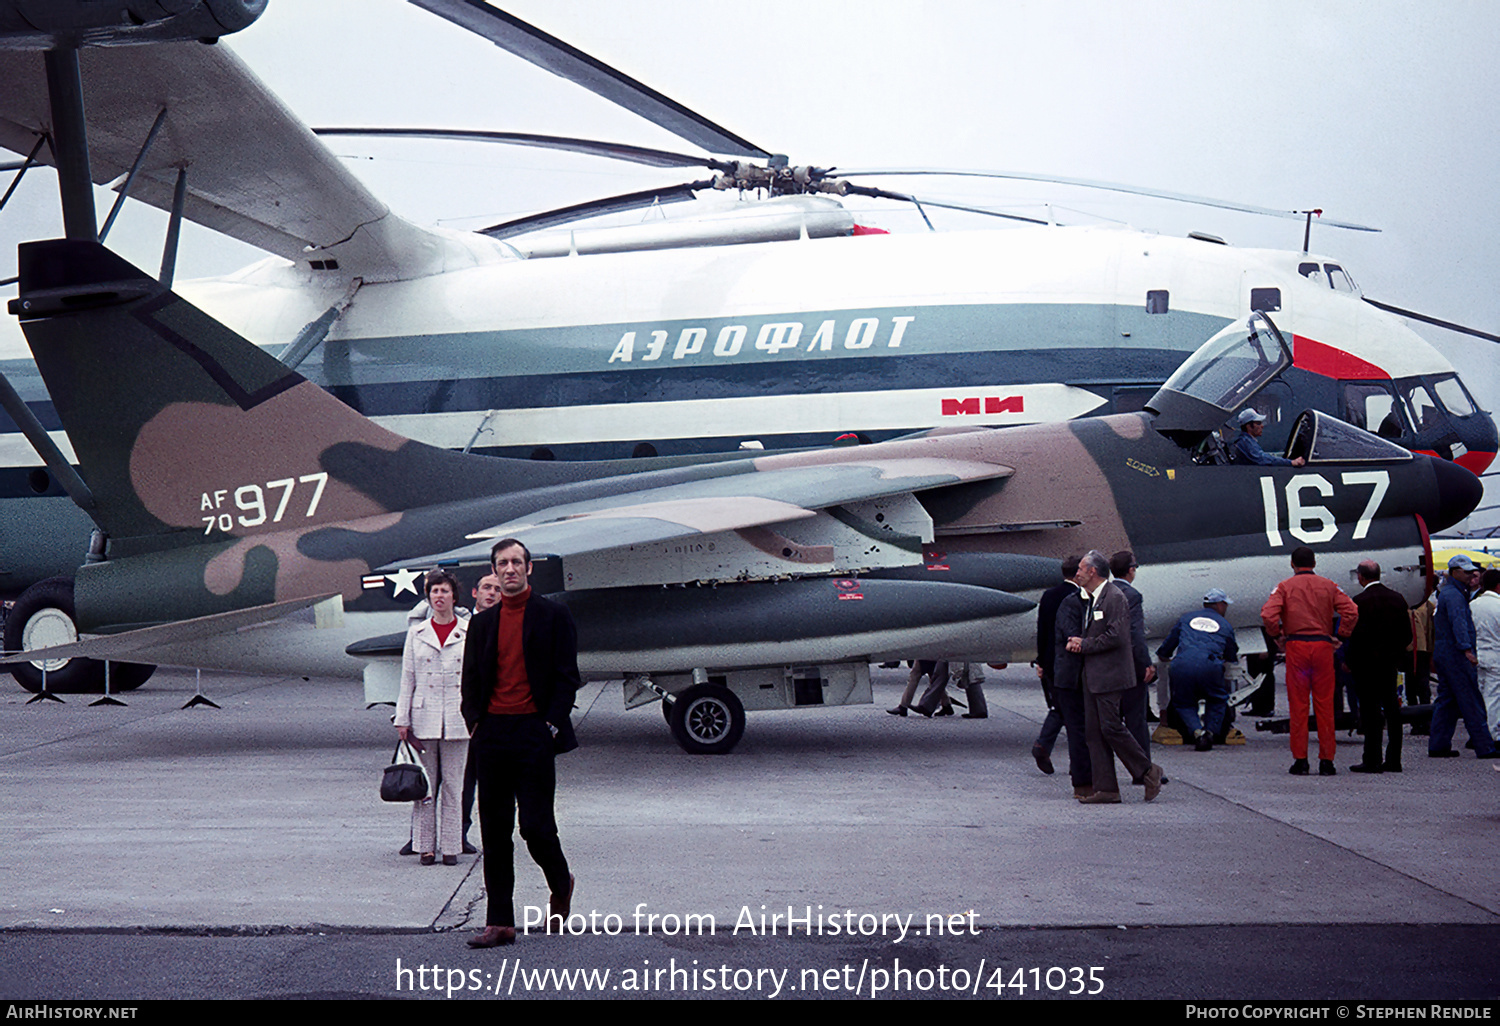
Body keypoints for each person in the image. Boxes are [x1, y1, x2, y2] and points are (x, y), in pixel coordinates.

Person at [463, 539, 581, 948]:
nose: (509, 569)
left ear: (529, 568)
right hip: (492, 735)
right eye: (502, 564)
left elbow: (568, 676)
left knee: (535, 827)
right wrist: (476, 724)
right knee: (495, 832)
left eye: (516, 562)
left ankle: (560, 881)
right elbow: (471, 683)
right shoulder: (482, 624)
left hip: (534, 733)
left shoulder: (553, 614)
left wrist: (549, 724)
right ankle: (500, 923)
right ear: (494, 572)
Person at [1067, 550, 1164, 803]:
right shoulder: (1091, 598)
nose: (1076, 573)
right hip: (1093, 675)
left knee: (1111, 727)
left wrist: (1084, 644)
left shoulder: (1114, 597)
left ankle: (1148, 770)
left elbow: (1118, 636)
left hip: (1110, 674)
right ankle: (1107, 789)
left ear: (1093, 571)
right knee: (1094, 732)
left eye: (1080, 569)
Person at [1260, 546, 1358, 776]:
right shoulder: (1329, 585)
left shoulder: (1284, 587)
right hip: (1323, 648)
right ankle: (1327, 761)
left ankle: (1301, 760)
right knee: (1325, 705)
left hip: (1297, 648)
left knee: (1299, 705)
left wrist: (1277, 637)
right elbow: (1351, 611)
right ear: (1314, 563)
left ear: (1292, 564)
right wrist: (1341, 636)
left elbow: (1267, 615)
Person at [395, 569, 470, 866]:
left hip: (457, 717)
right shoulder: (417, 633)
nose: (439, 596)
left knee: (454, 786)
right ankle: (424, 846)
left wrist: (477, 717)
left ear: (454, 596)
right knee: (425, 787)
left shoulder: (469, 630)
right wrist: (402, 718)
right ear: (428, 597)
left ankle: (451, 846)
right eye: (434, 591)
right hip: (424, 716)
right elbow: (407, 678)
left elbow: (477, 677)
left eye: (444, 591)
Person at [1344, 560, 1413, 774]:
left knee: (1371, 712)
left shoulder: (1359, 601)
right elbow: (1407, 635)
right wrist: (1395, 654)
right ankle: (1394, 759)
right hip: (1389, 663)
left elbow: (1354, 637)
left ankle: (1372, 759)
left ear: (1361, 577)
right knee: (1393, 710)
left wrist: (1350, 661)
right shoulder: (1398, 599)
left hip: (1366, 665)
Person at [1428, 555, 1499, 760]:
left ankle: (1438, 745)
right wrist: (1467, 649)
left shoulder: (1448, 593)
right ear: (1454, 572)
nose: (1471, 575)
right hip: (1456, 654)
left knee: (1447, 700)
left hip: (1444, 653)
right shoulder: (1456, 596)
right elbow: (1459, 623)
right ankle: (1485, 747)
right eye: (1466, 572)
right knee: (1471, 699)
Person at [1157, 589, 1239, 751]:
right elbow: (1231, 653)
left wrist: (1164, 655)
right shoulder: (1225, 625)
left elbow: (1169, 642)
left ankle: (1197, 732)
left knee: (1184, 702)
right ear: (1219, 605)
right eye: (1225, 605)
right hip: (1210, 666)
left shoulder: (1186, 618)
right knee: (1217, 699)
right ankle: (1210, 732)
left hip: (1181, 665)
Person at [1031, 555, 1081, 772]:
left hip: (1050, 659)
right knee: (1075, 711)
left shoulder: (1049, 595)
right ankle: (1076, 762)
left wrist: (1040, 660)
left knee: (1059, 706)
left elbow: (1042, 630)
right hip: (1070, 661)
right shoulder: (1078, 597)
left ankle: (1044, 745)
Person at [1051, 567, 1095, 799]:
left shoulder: (1099, 601)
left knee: (1091, 730)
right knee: (1079, 731)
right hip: (1072, 676)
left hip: (1087, 675)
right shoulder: (1071, 603)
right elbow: (1072, 636)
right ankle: (1083, 783)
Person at [1109, 550, 1156, 756]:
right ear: (1130, 570)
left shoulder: (1104, 592)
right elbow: (1135, 633)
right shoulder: (1132, 596)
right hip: (1128, 666)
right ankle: (1143, 768)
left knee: (1107, 719)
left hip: (1106, 666)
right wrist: (1145, 663)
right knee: (1136, 718)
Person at [1472, 568, 1500, 731]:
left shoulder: (1472, 605)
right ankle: (1492, 734)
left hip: (1476, 655)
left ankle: (1478, 732)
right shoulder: (1498, 605)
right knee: (1494, 696)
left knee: (1479, 695)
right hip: (1495, 655)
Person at [1230, 409, 1306, 467]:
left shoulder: (1246, 441)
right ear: (1249, 426)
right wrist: (1291, 462)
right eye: (1258, 423)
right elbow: (1262, 459)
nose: (1262, 426)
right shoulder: (1246, 442)